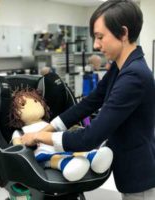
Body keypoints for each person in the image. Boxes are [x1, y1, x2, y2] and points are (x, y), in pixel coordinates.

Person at [21, 1, 155, 199]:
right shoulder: (121, 67)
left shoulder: (134, 76)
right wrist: (49, 127)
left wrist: (39, 137)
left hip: (138, 175)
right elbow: (90, 102)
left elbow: (90, 137)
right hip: (130, 168)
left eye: (100, 37)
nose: (96, 45)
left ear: (124, 33)